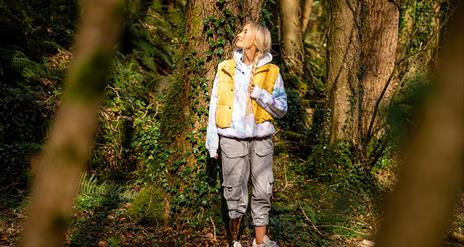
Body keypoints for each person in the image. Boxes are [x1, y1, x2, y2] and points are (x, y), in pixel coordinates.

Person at [205, 21, 287, 247]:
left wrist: (261, 94)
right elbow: (215, 106)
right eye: (240, 30)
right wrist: (213, 144)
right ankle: (236, 242)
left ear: (257, 40)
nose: (239, 34)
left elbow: (282, 108)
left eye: (245, 31)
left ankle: (261, 242)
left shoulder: (273, 71)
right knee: (234, 192)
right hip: (231, 139)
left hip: (261, 140)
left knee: (263, 191)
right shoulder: (225, 68)